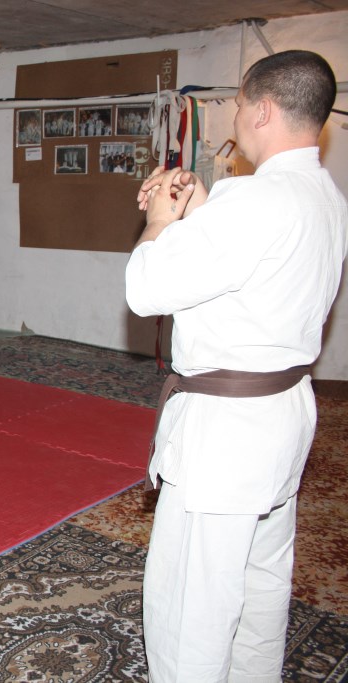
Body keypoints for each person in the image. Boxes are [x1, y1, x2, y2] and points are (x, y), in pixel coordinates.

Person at [126, 50, 347, 682]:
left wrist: (159, 223)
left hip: (226, 430)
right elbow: (248, 270)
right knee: (259, 580)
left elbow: (146, 289)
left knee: (193, 601)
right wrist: (201, 206)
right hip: (282, 410)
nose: (237, 116)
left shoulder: (255, 201)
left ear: (264, 110)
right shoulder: (323, 195)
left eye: (241, 104)